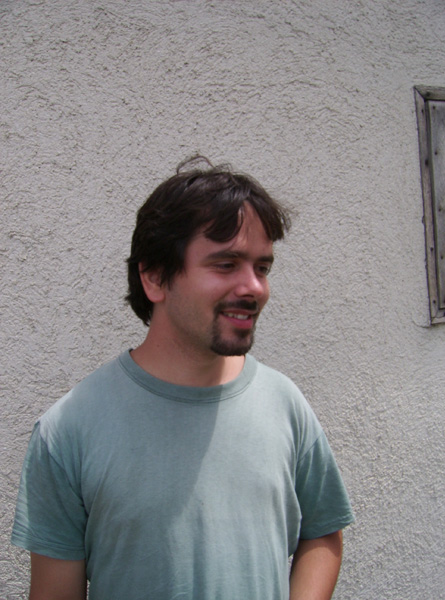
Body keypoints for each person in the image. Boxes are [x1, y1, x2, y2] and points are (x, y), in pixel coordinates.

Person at [12, 157, 354, 600]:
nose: (254, 287)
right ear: (155, 277)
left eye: (262, 268)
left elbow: (322, 534)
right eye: (226, 264)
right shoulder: (68, 431)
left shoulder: (285, 404)